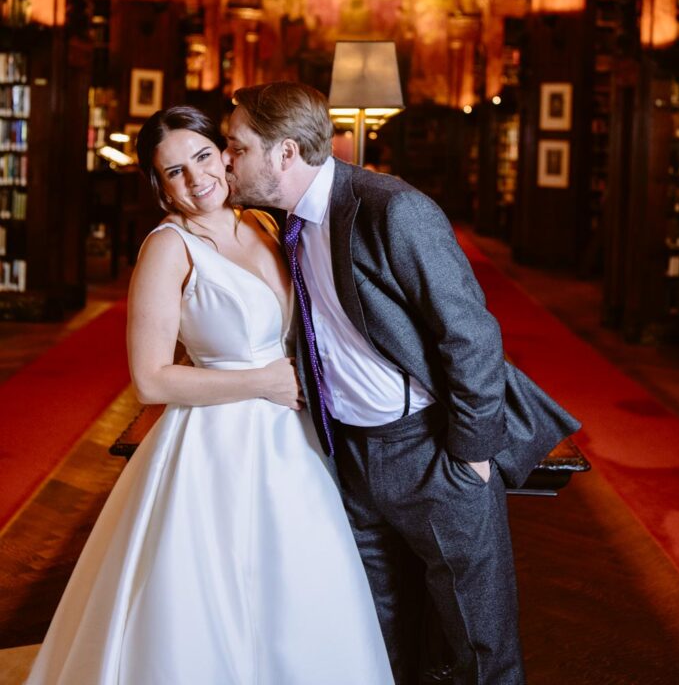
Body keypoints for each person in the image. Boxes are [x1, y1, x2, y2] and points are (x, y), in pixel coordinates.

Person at [225, 81, 581, 685]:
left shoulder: (393, 208)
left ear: (285, 153)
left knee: (479, 640)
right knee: (375, 626)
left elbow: (470, 334)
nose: (225, 157)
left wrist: (468, 456)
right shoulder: (282, 223)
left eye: (235, 147)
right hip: (353, 455)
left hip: (431, 450)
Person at [27, 106, 393, 685]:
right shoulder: (168, 248)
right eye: (174, 172)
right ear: (160, 185)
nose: (196, 179)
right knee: (208, 592)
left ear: (224, 153)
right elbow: (150, 379)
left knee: (297, 584)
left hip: (292, 441)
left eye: (201, 156)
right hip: (214, 444)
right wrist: (263, 381)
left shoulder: (265, 224)